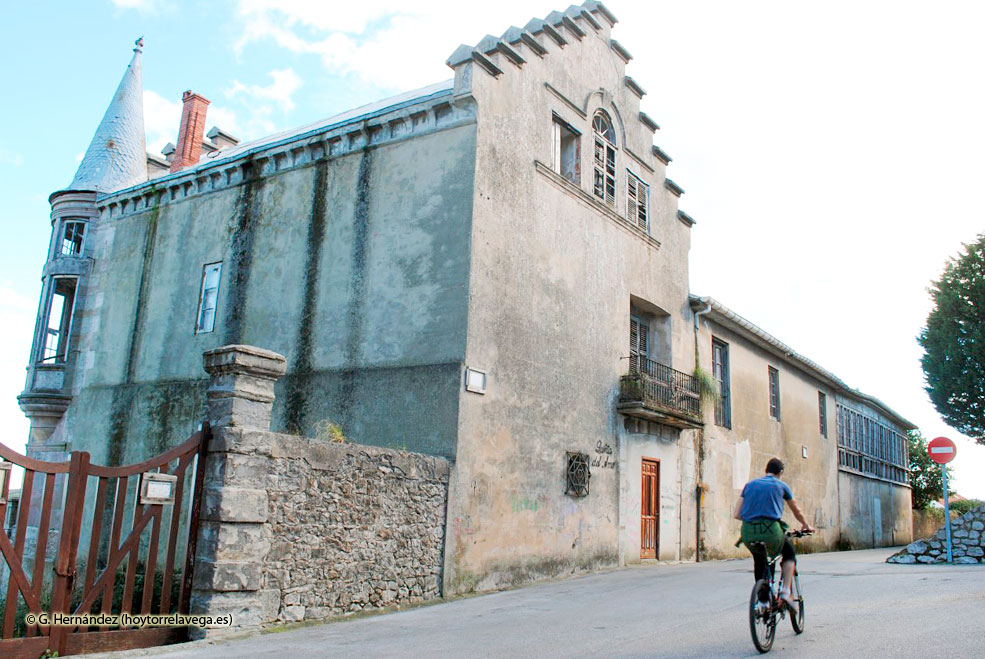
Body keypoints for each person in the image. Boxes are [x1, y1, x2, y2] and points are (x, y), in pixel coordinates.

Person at [733, 457, 814, 611]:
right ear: (780, 472)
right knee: (789, 553)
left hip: (748, 532)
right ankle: (785, 591)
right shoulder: (781, 485)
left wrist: (752, 519)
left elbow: (736, 514)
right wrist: (805, 524)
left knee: (760, 561)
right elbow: (796, 510)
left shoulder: (749, 485)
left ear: (766, 470)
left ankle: (762, 602)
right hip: (771, 531)